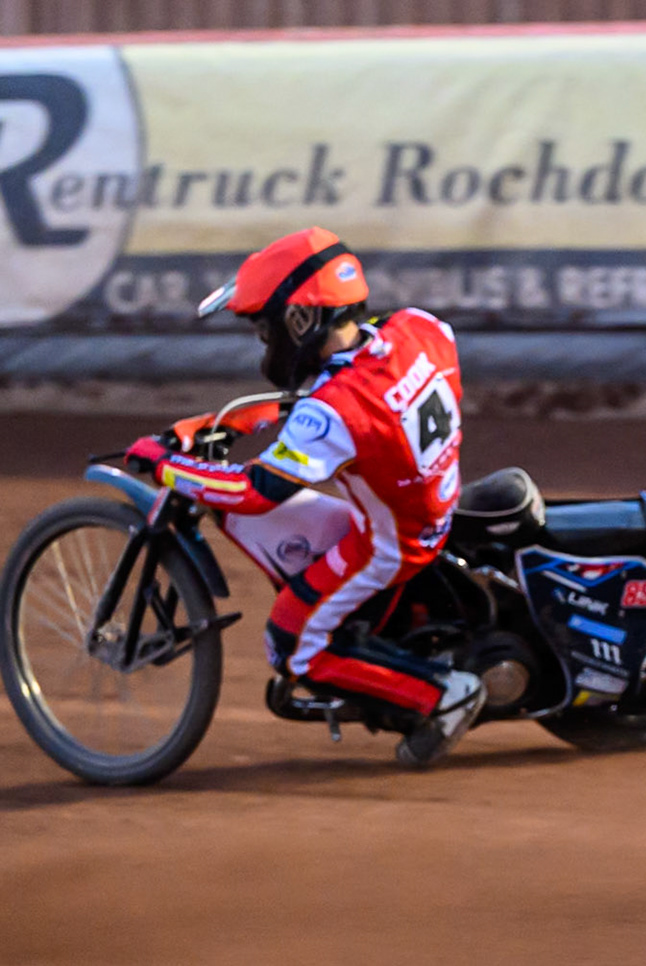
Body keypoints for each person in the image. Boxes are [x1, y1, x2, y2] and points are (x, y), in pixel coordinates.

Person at [123, 226, 484, 766]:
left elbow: (255, 492)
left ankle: (444, 696)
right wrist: (221, 423)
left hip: (389, 545)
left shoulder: (335, 409)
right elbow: (324, 400)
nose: (267, 344)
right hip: (430, 503)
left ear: (299, 320)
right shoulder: (418, 330)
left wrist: (166, 465)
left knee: (289, 644)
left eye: (267, 331)